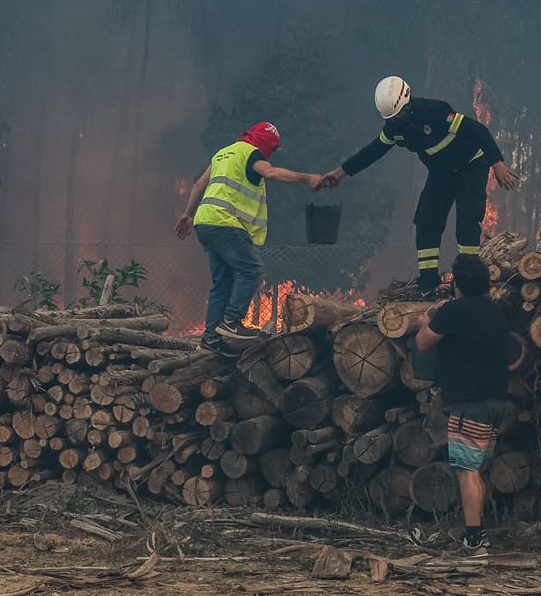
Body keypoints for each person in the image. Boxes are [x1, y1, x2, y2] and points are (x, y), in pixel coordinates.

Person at [318, 76, 520, 296]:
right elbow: (372, 151)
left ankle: (467, 281)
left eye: (401, 115)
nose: (398, 121)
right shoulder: (394, 128)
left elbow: (477, 131)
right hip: (441, 173)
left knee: (467, 222)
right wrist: (340, 172)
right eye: (392, 118)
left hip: (470, 167)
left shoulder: (435, 111)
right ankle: (428, 284)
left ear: (408, 101)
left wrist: (497, 164)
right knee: (426, 221)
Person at [175, 122, 323, 355]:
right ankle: (232, 322)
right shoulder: (251, 153)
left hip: (205, 222)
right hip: (227, 224)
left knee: (221, 284)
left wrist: (187, 214)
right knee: (252, 270)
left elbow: (199, 184)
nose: (270, 154)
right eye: (271, 149)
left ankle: (210, 341)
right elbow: (271, 173)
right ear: (264, 143)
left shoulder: (223, 153)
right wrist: (308, 178)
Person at [415, 253, 509, 554]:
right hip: (495, 400)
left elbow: (423, 343)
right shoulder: (496, 312)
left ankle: (474, 538)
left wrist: (424, 322)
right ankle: (477, 529)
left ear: (457, 284)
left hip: (468, 404)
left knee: (466, 470)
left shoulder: (452, 311)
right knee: (477, 468)